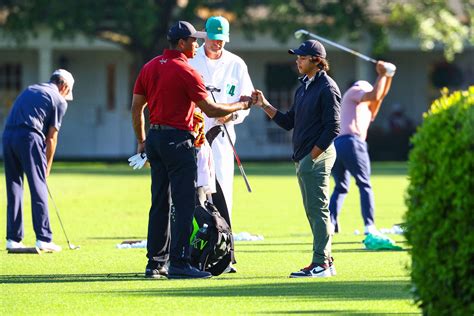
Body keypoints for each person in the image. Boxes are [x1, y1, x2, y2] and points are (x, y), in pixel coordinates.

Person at [131, 21, 252, 280]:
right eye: (193, 40)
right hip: (179, 142)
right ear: (182, 43)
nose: (197, 44)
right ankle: (180, 263)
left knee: (160, 202)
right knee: (184, 204)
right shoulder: (187, 71)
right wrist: (239, 106)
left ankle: (155, 263)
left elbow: (136, 107)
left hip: (155, 139)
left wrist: (141, 140)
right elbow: (211, 110)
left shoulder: (150, 66)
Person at [252, 40, 341, 278]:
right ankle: (326, 261)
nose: (297, 61)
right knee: (313, 210)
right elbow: (289, 121)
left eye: (302, 57)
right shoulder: (303, 87)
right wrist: (264, 105)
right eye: (297, 57)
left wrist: (311, 158)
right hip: (305, 158)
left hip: (318, 156)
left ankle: (321, 263)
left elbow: (333, 128)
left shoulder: (326, 87)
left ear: (316, 60)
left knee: (318, 209)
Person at [188, 16, 254, 273]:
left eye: (222, 41)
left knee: (223, 193)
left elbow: (246, 100)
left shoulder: (236, 64)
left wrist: (233, 114)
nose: (218, 45)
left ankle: (224, 254)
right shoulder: (192, 59)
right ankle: (191, 252)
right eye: (214, 40)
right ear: (206, 38)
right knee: (194, 192)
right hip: (193, 136)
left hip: (223, 138)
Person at [3, 69, 75, 253]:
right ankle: (44, 238)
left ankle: (13, 238)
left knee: (14, 186)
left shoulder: (32, 88)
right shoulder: (58, 100)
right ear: (64, 86)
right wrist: (47, 167)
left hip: (8, 136)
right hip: (28, 136)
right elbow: (51, 138)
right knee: (38, 185)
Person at [328, 61, 395, 235]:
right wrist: (381, 74)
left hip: (337, 145)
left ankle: (331, 224)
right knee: (365, 184)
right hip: (352, 143)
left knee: (341, 187)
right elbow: (373, 94)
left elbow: (379, 96)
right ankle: (369, 226)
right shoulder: (355, 90)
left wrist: (388, 76)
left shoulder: (365, 107)